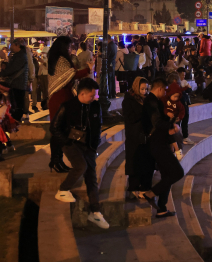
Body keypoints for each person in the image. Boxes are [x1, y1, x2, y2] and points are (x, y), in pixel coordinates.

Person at [51, 78, 109, 229]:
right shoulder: (67, 106)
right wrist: (66, 141)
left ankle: (95, 212)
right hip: (71, 144)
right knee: (80, 166)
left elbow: (97, 127)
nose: (94, 98)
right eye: (92, 95)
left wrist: (94, 146)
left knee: (91, 177)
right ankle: (63, 189)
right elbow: (55, 127)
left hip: (88, 146)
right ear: (82, 94)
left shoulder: (95, 107)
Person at [140, 78, 185, 218]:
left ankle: (162, 208)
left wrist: (169, 121)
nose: (165, 93)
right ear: (159, 89)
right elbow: (157, 122)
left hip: (159, 142)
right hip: (157, 143)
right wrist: (171, 126)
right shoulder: (152, 102)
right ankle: (150, 193)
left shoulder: (154, 101)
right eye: (164, 90)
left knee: (167, 175)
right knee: (177, 172)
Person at [47, 36, 92, 173]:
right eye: (68, 46)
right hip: (59, 99)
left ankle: (58, 160)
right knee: (58, 131)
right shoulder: (60, 60)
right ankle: (55, 161)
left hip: (64, 97)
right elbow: (70, 76)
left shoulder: (58, 59)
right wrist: (88, 70)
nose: (70, 49)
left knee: (62, 130)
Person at [123, 77, 155, 198]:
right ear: (136, 87)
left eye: (146, 89)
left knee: (147, 163)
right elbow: (130, 117)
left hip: (146, 136)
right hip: (134, 137)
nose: (144, 92)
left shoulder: (148, 100)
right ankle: (134, 187)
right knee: (134, 163)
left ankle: (145, 187)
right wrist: (143, 112)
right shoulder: (129, 100)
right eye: (142, 89)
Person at [0, 39, 29, 125]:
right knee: (16, 104)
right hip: (17, 83)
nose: (10, 46)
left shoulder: (20, 56)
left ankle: (15, 124)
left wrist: (2, 73)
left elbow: (12, 69)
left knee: (17, 105)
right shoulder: (18, 55)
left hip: (18, 84)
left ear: (17, 45)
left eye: (12, 44)